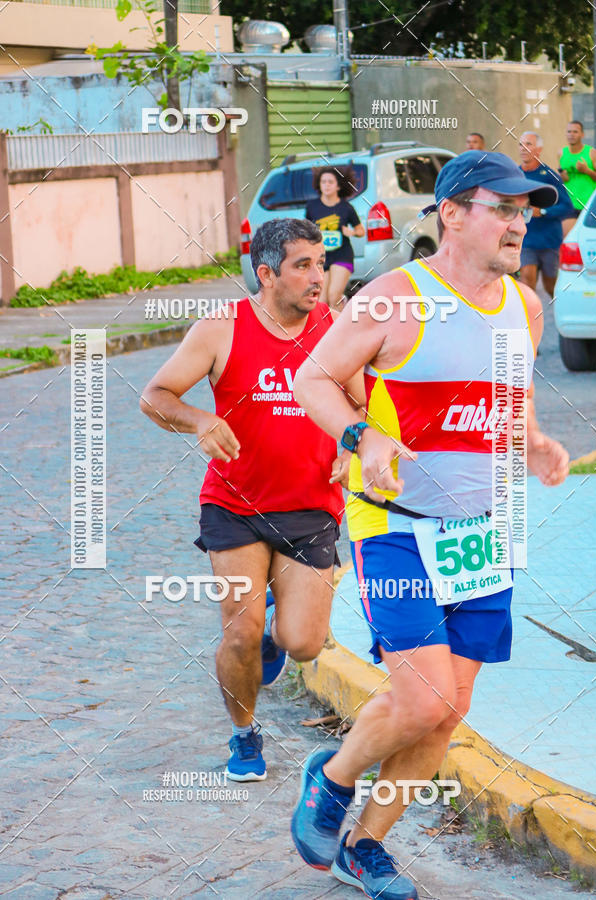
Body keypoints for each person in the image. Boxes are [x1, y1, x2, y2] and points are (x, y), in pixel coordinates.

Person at [291, 151, 570, 900]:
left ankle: (364, 848)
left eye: (525, 211)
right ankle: (335, 776)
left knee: (451, 711)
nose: (520, 223)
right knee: (423, 700)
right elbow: (311, 377)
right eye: (503, 208)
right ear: (451, 213)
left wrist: (534, 439)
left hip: (484, 529)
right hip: (396, 524)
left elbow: (512, 399)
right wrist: (362, 438)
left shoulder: (525, 306)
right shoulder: (393, 298)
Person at [140, 218, 363, 782]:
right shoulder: (222, 329)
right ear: (266, 274)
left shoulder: (335, 331)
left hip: (310, 508)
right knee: (238, 632)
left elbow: (365, 410)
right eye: (302, 265)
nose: (319, 276)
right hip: (233, 506)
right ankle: (244, 735)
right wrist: (199, 419)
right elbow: (155, 396)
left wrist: (351, 447)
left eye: (320, 262)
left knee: (304, 642)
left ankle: (273, 633)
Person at [518, 131, 574, 297]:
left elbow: (567, 207)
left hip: (549, 241)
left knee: (551, 288)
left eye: (528, 144)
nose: (523, 148)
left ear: (539, 149)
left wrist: (543, 212)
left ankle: (560, 316)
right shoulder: (514, 174)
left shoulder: (550, 176)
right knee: (527, 282)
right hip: (526, 239)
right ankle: (530, 319)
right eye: (520, 144)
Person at [305, 166, 365, 311]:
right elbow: (306, 230)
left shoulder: (346, 207)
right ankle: (331, 327)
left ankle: (342, 330)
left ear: (338, 186)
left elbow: (360, 230)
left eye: (330, 182)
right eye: (323, 182)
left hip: (342, 255)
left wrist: (352, 232)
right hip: (321, 258)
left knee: (334, 295)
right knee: (323, 300)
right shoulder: (312, 206)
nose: (326, 185)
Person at [558, 120, 596, 216]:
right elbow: (561, 175)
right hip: (568, 205)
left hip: (588, 206)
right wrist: (562, 177)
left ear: (582, 135)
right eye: (569, 132)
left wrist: (587, 171)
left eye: (575, 132)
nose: (571, 135)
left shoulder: (591, 153)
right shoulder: (561, 153)